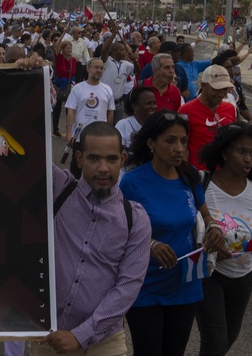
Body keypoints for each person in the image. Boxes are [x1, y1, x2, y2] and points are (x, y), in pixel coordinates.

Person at [35, 122, 151, 355]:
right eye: (93, 158)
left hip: (106, 340)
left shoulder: (135, 219)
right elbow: (26, 149)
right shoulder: (59, 189)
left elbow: (128, 286)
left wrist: (81, 335)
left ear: (123, 159)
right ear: (79, 159)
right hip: (52, 336)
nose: (103, 168)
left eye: (111, 159)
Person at [120, 110, 225, 356]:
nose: (179, 148)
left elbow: (205, 216)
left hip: (185, 285)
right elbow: (120, 231)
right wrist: (151, 244)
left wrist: (213, 228)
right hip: (145, 285)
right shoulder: (132, 183)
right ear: (151, 144)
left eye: (183, 141)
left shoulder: (189, 177)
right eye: (170, 141)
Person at [196, 124, 252, 355]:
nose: (248, 159)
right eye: (241, 152)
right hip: (210, 275)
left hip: (243, 276)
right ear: (224, 153)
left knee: (227, 339)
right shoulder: (202, 183)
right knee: (215, 341)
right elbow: (185, 225)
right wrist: (208, 246)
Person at [179, 65, 237, 170]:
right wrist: (186, 172)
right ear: (204, 86)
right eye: (217, 89)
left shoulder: (230, 109)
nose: (222, 93)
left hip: (224, 174)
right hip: (197, 173)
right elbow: (181, 145)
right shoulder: (185, 111)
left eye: (225, 89)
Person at [65, 58, 115, 177]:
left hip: (99, 137)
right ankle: (73, 190)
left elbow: (110, 112)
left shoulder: (107, 89)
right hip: (79, 136)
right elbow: (71, 111)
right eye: (96, 67)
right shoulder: (78, 88)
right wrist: (68, 133)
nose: (99, 70)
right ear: (88, 68)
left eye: (101, 68)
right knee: (77, 166)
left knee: (97, 165)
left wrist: (108, 132)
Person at [115, 86, 157, 179]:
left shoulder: (157, 126)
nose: (153, 107)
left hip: (150, 178)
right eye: (148, 103)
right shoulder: (124, 125)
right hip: (126, 177)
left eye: (154, 103)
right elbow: (117, 156)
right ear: (135, 106)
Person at [52, 38, 76, 138]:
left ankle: (69, 131)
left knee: (69, 110)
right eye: (67, 48)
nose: (70, 50)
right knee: (57, 110)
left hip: (69, 85)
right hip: (59, 85)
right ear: (62, 49)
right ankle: (55, 130)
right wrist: (63, 33)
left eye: (71, 48)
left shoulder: (73, 60)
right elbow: (57, 46)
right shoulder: (59, 57)